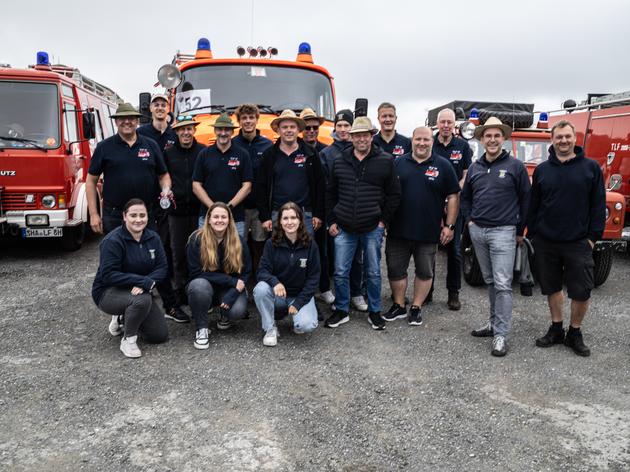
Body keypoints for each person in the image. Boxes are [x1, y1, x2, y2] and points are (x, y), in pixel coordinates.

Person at [528, 120, 605, 357]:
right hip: (546, 241)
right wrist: (533, 234)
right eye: (559, 137)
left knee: (581, 291)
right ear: (552, 140)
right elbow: (534, 205)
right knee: (551, 287)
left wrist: (592, 237)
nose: (563, 141)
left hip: (578, 241)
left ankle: (575, 332)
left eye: (567, 137)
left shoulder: (591, 168)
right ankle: (556, 328)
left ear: (575, 138)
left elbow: (598, 205)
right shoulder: (542, 169)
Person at [461, 117, 531, 357]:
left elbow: (526, 199)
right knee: (490, 281)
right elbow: (466, 197)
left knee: (502, 283)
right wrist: (470, 220)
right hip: (478, 231)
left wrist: (520, 231)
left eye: (496, 136)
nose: (492, 140)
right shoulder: (475, 167)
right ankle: (493, 324)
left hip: (504, 232)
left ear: (504, 138)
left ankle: (501, 334)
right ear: (481, 139)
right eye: (487, 136)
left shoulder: (515, 166)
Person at [326, 116, 401, 330]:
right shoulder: (339, 160)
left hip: (371, 227)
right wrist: (331, 220)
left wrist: (383, 221)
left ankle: (374, 311)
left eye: (365, 135)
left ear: (371, 136)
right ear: (351, 137)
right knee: (340, 271)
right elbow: (330, 193)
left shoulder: (385, 160)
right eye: (357, 135)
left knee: (373, 272)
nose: (361, 139)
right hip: (344, 227)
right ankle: (341, 310)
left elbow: (394, 194)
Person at [383, 127, 460, 326]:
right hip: (398, 231)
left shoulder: (443, 166)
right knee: (395, 270)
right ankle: (399, 305)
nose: (422, 143)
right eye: (418, 139)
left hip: (428, 232)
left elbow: (453, 196)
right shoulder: (397, 163)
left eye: (426, 140)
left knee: (425, 272)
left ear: (432, 142)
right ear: (412, 140)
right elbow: (385, 193)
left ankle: (416, 307)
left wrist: (449, 226)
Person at [92, 199, 168, 358]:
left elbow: (162, 267)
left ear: (148, 217)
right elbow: (108, 275)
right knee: (142, 300)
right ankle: (128, 339)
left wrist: (146, 283)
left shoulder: (153, 237)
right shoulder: (112, 241)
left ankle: (126, 316)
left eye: (142, 215)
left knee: (159, 336)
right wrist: (143, 282)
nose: (138, 219)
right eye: (133, 215)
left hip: (139, 289)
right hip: (108, 291)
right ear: (124, 217)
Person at [86, 102, 172, 234]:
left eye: (131, 118)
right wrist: (93, 214)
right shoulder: (104, 147)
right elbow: (91, 181)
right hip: (115, 216)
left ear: (137, 121)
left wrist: (166, 189)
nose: (127, 122)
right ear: (116, 122)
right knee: (116, 254)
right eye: (122, 118)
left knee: (146, 254)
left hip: (145, 215)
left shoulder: (151, 145)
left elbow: (163, 175)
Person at [253, 202, 320, 346]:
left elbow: (313, 279)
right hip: (279, 295)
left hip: (299, 294)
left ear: (300, 220)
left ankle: (296, 318)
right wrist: (275, 282)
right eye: (285, 218)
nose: (289, 222)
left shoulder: (310, 245)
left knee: (306, 325)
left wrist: (299, 302)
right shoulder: (271, 244)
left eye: (293, 218)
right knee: (260, 289)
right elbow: (262, 271)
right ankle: (270, 328)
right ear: (280, 222)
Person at [186, 202, 251, 350]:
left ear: (229, 220)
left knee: (236, 311)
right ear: (208, 219)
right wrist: (231, 281)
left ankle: (224, 313)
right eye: (215, 216)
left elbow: (246, 272)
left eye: (223, 217)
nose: (219, 220)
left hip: (228, 289)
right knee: (198, 286)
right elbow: (196, 273)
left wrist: (233, 294)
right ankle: (201, 328)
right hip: (205, 286)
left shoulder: (239, 240)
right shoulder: (196, 239)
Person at [319, 110, 366, 309]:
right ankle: (340, 297)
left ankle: (357, 293)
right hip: (337, 213)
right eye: (340, 126)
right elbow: (325, 189)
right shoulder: (326, 154)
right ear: (335, 128)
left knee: (357, 258)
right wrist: (330, 218)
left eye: (347, 126)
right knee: (336, 259)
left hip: (357, 212)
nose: (344, 129)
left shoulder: (362, 150)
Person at [430, 108, 473, 310]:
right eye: (443, 122)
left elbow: (466, 174)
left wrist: (453, 193)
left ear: (454, 124)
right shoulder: (430, 143)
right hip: (432, 204)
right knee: (429, 248)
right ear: (437, 124)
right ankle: (427, 290)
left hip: (456, 204)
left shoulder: (463, 146)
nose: (446, 125)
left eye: (449, 122)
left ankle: (453, 293)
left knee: (455, 251)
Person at [256, 109, 325, 235]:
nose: (289, 130)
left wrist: (318, 214)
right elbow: (260, 187)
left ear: (298, 129)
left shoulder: (310, 153)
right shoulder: (269, 155)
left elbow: (320, 184)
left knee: (306, 251)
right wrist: (265, 217)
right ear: (278, 130)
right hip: (277, 214)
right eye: (285, 127)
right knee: (278, 252)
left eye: (292, 127)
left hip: (305, 214)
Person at [163, 115, 206, 311]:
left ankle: (198, 290)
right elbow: (163, 178)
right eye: (182, 129)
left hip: (200, 210)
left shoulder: (204, 151)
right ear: (177, 132)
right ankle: (180, 290)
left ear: (194, 130)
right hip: (177, 211)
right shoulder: (169, 153)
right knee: (178, 252)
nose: (186, 132)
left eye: (189, 128)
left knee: (200, 252)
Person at [192, 113, 253, 238]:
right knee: (206, 254)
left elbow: (247, 186)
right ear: (215, 130)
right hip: (207, 217)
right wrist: (213, 208)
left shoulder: (243, 154)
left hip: (235, 218)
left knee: (235, 255)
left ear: (232, 132)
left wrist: (228, 207)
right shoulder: (204, 154)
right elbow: (196, 185)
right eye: (220, 129)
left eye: (227, 130)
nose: (223, 133)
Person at [232, 104, 273, 276]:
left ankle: (258, 280)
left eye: (251, 118)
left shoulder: (268, 145)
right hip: (238, 206)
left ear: (257, 119)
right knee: (237, 247)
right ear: (239, 121)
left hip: (259, 206)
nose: (248, 121)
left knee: (259, 246)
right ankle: (240, 281)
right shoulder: (233, 144)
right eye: (244, 118)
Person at [299, 107, 333, 304]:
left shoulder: (325, 151)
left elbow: (325, 185)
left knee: (321, 250)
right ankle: (302, 290)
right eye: (308, 127)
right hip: (299, 210)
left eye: (314, 127)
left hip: (319, 210)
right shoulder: (295, 149)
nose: (311, 131)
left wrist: (321, 213)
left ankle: (324, 287)